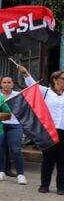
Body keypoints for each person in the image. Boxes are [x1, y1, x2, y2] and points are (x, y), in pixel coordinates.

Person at [18, 65, 64, 194]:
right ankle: (44, 185)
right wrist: (26, 73)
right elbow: (32, 86)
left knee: (62, 160)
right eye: (63, 78)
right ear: (55, 80)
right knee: (48, 159)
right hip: (48, 130)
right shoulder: (46, 91)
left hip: (63, 130)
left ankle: (61, 187)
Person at [0, 76, 26, 185]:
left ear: (13, 84)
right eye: (5, 82)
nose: (7, 84)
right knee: (0, 149)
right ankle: (1, 171)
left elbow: (24, 110)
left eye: (9, 82)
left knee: (15, 149)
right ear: (1, 84)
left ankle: (20, 174)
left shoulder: (18, 95)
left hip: (15, 124)